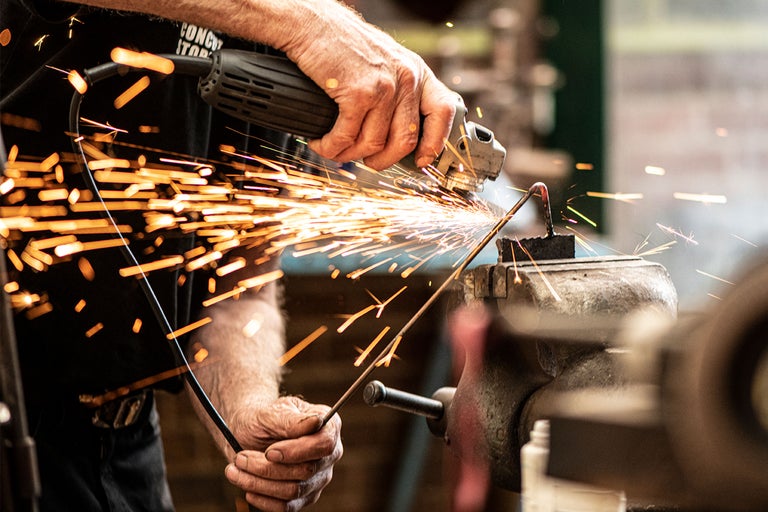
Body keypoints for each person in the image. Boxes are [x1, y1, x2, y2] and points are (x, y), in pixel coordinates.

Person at [0, 0, 460, 510]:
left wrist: (249, 409)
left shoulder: (274, 47)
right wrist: (306, 23)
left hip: (122, 446)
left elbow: (239, 289)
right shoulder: (292, 20)